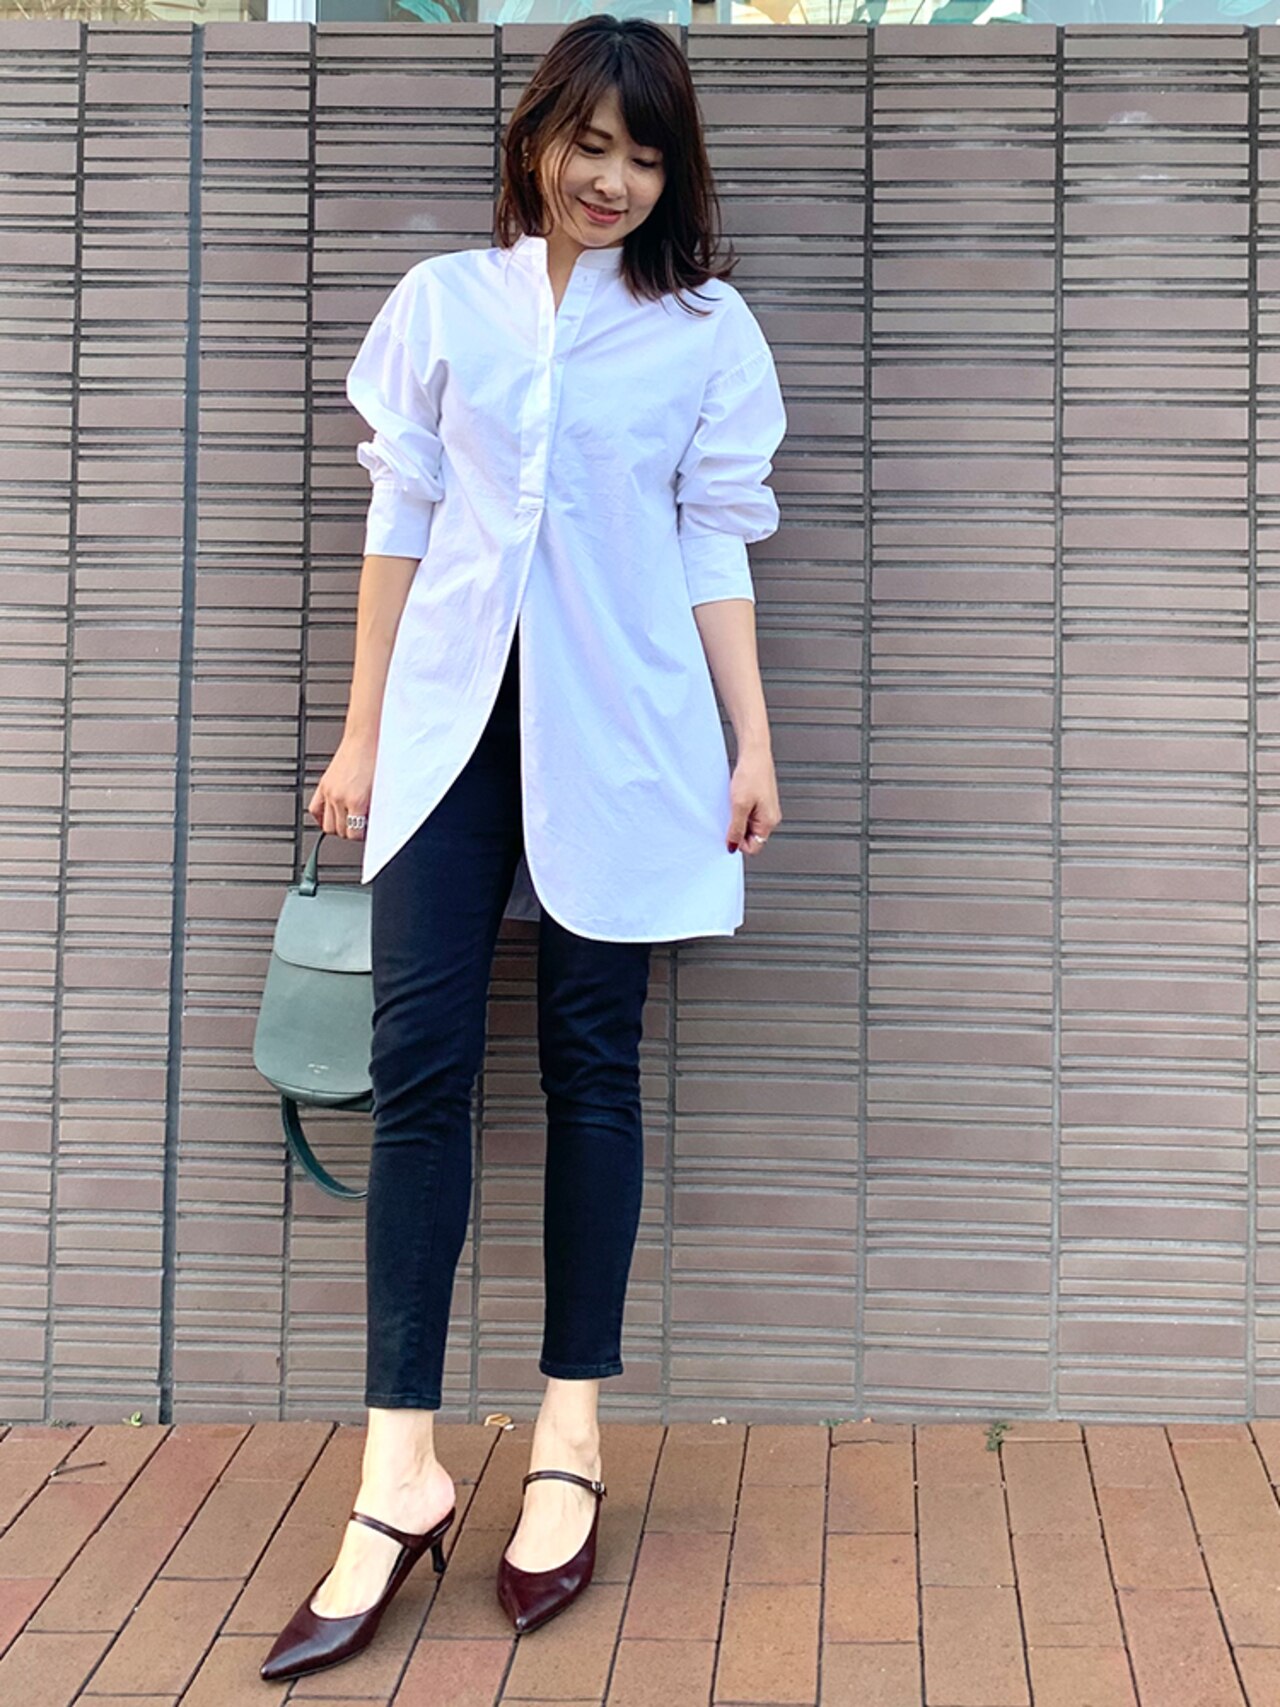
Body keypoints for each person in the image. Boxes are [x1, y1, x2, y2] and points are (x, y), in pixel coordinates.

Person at [260, 13, 787, 1685]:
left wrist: (752, 737)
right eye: (590, 144)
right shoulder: (445, 305)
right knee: (419, 1065)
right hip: (443, 734)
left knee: (590, 1067)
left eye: (645, 156)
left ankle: (569, 1436)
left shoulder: (704, 333)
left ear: (673, 174)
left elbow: (712, 540)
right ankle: (397, 1470)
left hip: (626, 740)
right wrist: (360, 731)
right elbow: (402, 513)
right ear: (537, 138)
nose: (611, 179)